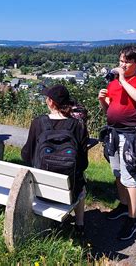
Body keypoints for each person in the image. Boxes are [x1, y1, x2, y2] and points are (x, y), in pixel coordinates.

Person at [97, 46, 136, 240]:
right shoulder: (113, 83)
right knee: (117, 173)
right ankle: (123, 205)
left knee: (129, 177)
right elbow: (109, 110)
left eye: (127, 62)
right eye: (121, 60)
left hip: (130, 134)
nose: (122, 64)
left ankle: (132, 219)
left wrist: (122, 80)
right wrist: (102, 101)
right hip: (113, 133)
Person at [21, 84, 89, 236]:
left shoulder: (38, 123)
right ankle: (79, 225)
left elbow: (26, 155)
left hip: (40, 191)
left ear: (51, 102)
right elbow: (83, 163)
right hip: (69, 193)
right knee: (82, 183)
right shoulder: (78, 126)